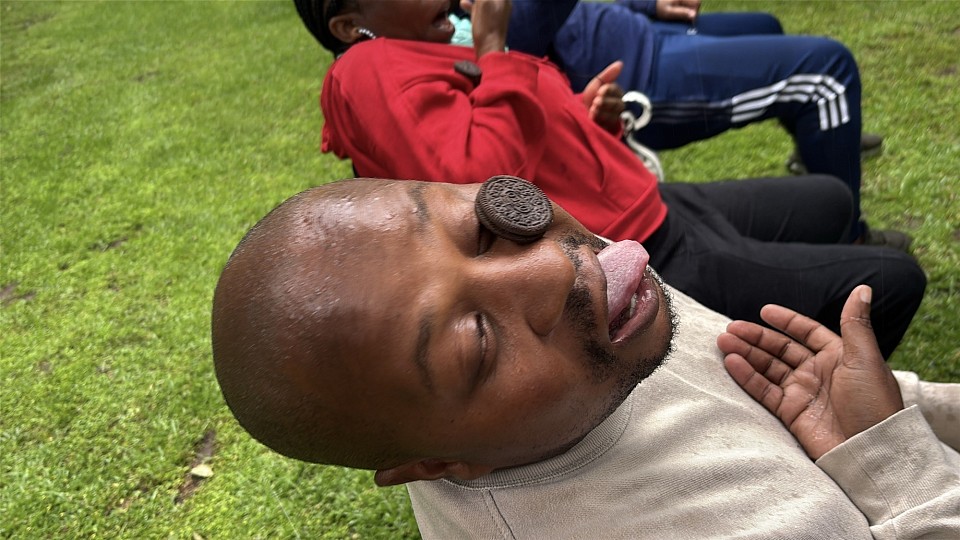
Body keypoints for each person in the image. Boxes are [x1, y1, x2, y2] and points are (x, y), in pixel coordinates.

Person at [211, 177, 959, 538]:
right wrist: (894, 465)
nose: (557, 268)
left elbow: (850, 405)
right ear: (436, 464)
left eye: (482, 228)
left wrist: (889, 422)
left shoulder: (602, 330)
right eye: (477, 339)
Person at [292, 0, 925, 358]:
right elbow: (480, 185)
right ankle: (800, 410)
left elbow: (509, 134)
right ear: (349, 25)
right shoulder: (365, 68)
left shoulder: (426, 52)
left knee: (831, 200)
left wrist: (587, 115)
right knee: (893, 281)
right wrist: (493, 51)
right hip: (638, 248)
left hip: (649, 203)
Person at [502, 0, 902, 247]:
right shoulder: (468, 29)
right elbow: (515, 35)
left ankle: (824, 142)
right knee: (828, 75)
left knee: (766, 25)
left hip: (626, 29)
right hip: (636, 73)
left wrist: (643, 5)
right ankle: (851, 238)